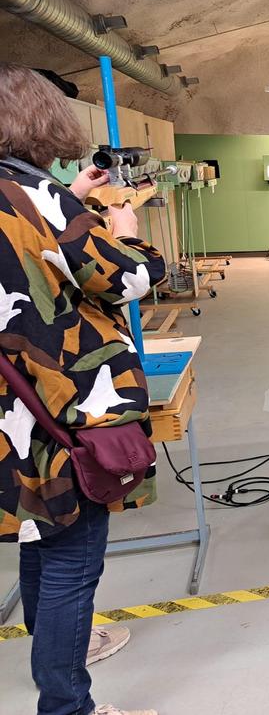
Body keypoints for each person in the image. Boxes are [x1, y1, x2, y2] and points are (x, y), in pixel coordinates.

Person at [0, 62, 164, 715]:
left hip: (15, 417)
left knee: (41, 539)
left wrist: (71, 197)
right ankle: (68, 704)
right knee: (74, 558)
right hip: (61, 413)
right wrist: (126, 233)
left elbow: (32, 254)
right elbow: (129, 278)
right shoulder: (37, 197)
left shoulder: (19, 195)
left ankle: (57, 659)